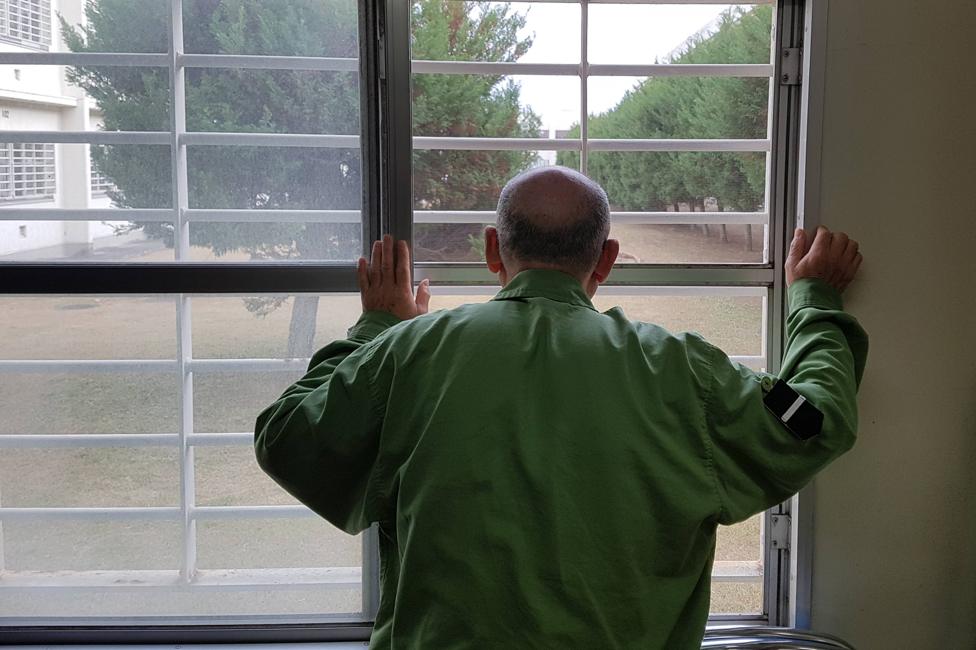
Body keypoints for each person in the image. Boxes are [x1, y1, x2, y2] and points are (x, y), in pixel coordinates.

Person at [254, 166, 867, 649]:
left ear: (494, 250)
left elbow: (287, 437)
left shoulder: (409, 355)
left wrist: (378, 326)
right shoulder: (682, 370)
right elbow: (811, 424)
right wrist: (812, 297)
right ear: (605, 259)